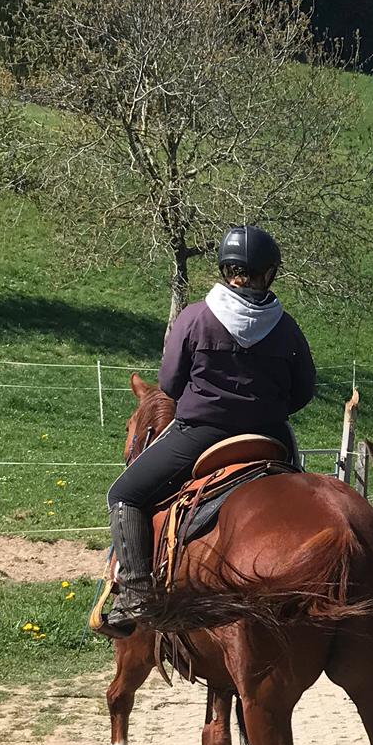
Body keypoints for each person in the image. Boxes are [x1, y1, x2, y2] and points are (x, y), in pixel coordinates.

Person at [102, 225, 317, 634]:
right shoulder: (287, 327)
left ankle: (136, 595)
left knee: (124, 494)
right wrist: (266, 412)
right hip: (270, 438)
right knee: (306, 496)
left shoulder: (195, 317)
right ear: (269, 273)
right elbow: (303, 391)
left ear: (225, 268)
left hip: (200, 435)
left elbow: (169, 383)